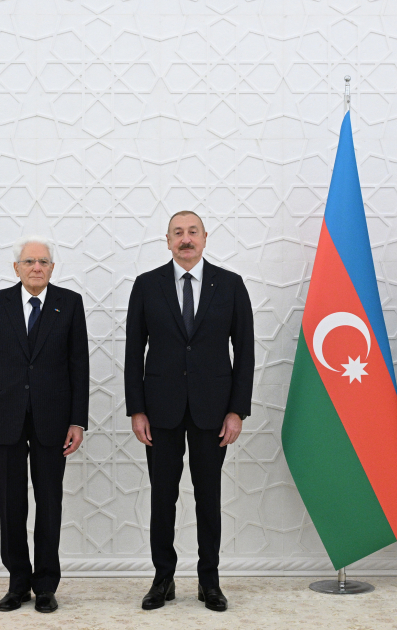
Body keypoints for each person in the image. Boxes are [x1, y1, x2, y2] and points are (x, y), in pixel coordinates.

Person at [124, 211, 255, 612]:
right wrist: (136, 409)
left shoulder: (230, 285)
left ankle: (209, 581)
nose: (186, 239)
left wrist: (237, 411)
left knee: (208, 498)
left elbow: (245, 352)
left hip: (213, 411)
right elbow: (133, 351)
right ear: (167, 241)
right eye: (178, 233)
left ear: (204, 237)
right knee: (162, 498)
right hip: (159, 411)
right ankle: (163, 579)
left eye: (192, 232)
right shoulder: (147, 285)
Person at [0, 235, 89, 613]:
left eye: (43, 262)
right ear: (16, 268)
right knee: (11, 504)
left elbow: (79, 366)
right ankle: (18, 583)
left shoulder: (69, 303)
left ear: (52, 268)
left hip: (53, 419)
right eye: (29, 261)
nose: (36, 267)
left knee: (49, 502)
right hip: (4, 417)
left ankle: (46, 585)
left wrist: (77, 420)